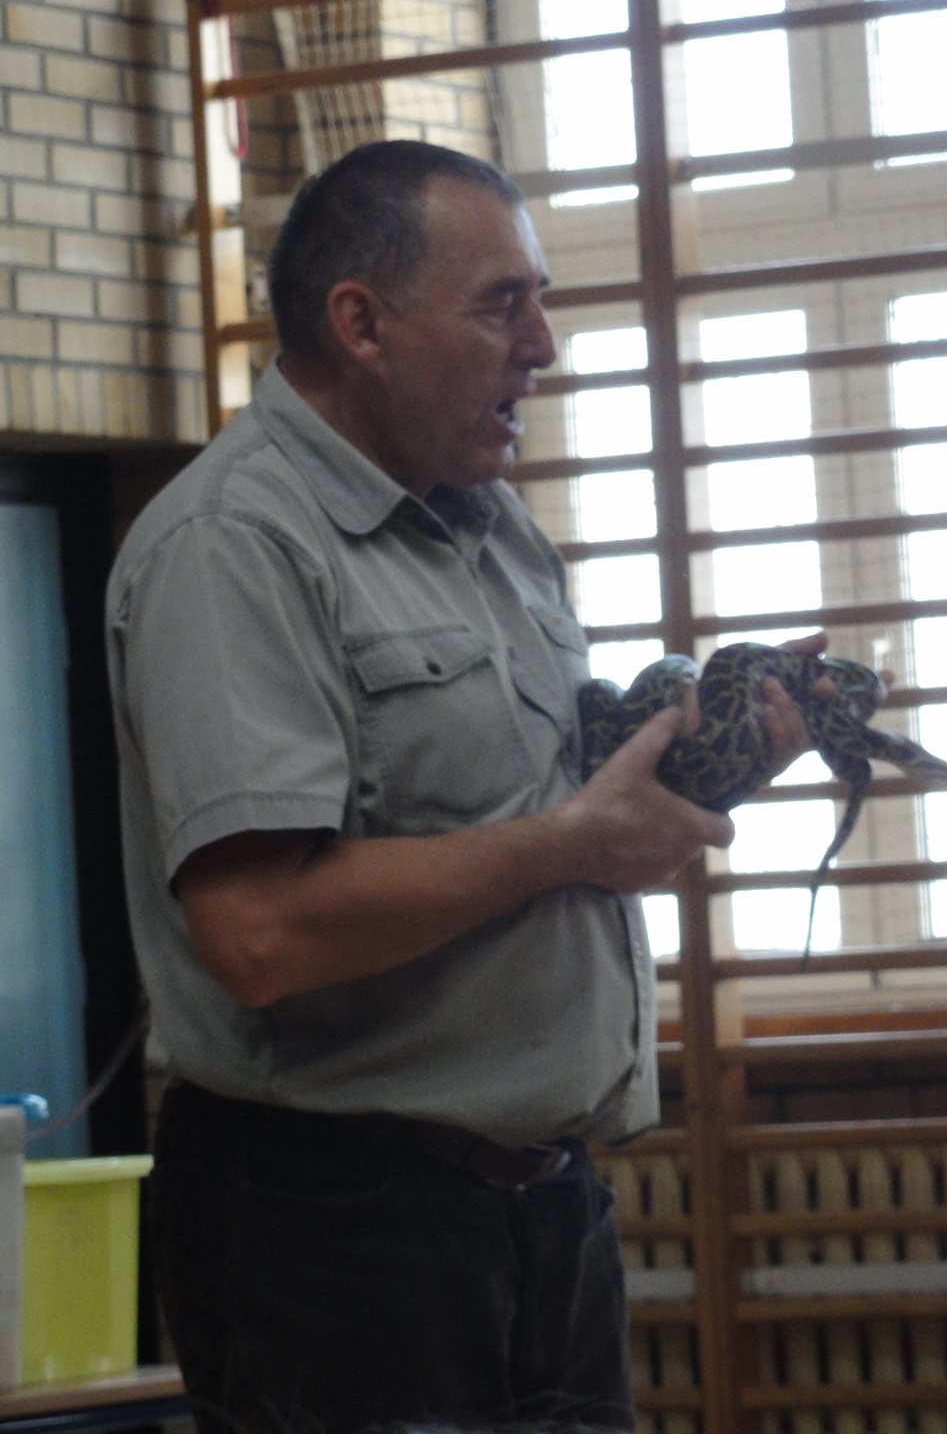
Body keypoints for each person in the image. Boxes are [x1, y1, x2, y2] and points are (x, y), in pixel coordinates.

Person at [105, 139, 825, 1434]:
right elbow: (259, 932)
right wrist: (576, 843)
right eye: (503, 305)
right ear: (362, 324)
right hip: (334, 1228)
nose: (542, 347)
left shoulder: (492, 529)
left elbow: (531, 807)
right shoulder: (233, 545)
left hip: (543, 1206)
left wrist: (707, 761)